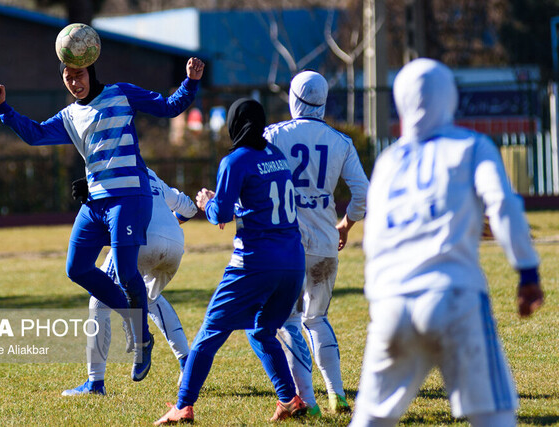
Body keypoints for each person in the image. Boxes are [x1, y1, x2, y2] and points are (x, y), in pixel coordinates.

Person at [349, 58, 543, 427]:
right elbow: (501, 204)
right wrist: (528, 271)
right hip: (454, 296)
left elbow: (372, 238)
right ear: (449, 95)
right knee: (494, 418)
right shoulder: (471, 145)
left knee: (369, 421)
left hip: (391, 303)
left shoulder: (388, 160)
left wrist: (382, 297)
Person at [0, 56, 205, 381]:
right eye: (68, 77)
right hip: (97, 201)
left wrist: (190, 82)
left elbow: (169, 107)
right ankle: (140, 331)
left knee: (128, 272)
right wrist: (4, 109)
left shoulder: (121, 93)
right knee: (76, 268)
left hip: (130, 197)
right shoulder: (71, 114)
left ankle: (139, 343)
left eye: (79, 75)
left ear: (91, 71)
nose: (75, 82)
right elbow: (35, 135)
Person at [154, 98, 307, 424]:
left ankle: (183, 406)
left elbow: (219, 212)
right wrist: (234, 209)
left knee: (209, 332)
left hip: (255, 263)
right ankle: (289, 399)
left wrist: (209, 203)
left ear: (234, 126)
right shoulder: (277, 156)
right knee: (261, 330)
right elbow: (261, 204)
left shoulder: (235, 160)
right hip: (294, 262)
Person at [263, 70, 369, 415]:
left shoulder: (274, 135)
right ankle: (336, 393)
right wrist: (347, 224)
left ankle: (304, 399)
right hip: (325, 241)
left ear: (293, 99)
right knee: (317, 319)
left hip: (286, 243)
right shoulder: (341, 142)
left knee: (289, 320)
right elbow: (363, 195)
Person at [62, 168, 197, 395]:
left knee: (98, 301)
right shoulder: (152, 174)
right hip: (175, 244)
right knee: (148, 299)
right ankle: (187, 364)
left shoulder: (109, 172)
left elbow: (105, 213)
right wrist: (165, 229)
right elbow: (190, 208)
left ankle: (95, 383)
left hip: (139, 239)